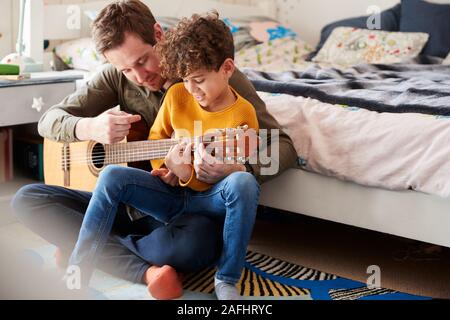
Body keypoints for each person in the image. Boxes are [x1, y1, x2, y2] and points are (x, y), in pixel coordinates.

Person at [11, 0, 297, 299]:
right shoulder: (115, 77)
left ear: (159, 34)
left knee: (193, 246)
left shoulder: (210, 71)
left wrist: (242, 170)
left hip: (190, 211)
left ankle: (87, 242)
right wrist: (89, 128)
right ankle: (142, 268)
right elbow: (49, 121)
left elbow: (282, 144)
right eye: (126, 68)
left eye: (143, 60)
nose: (139, 75)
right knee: (27, 200)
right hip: (134, 200)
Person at [67, 12, 260, 300]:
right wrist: (169, 168)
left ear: (227, 68)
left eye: (198, 80)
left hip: (209, 199)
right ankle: (78, 270)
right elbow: (157, 139)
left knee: (244, 183)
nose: (192, 90)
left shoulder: (243, 112)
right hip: (170, 194)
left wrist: (231, 168)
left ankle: (226, 278)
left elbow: (244, 161)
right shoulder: (178, 95)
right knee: (109, 175)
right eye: (185, 80)